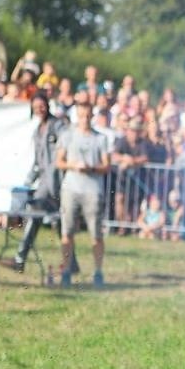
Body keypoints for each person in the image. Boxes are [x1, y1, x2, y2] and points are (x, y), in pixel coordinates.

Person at [1, 94, 65, 273]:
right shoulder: (38, 130)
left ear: (47, 105)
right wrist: (27, 181)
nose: (39, 109)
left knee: (48, 218)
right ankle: (70, 262)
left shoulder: (58, 126)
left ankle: (20, 259)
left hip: (58, 182)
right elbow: (38, 162)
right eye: (36, 106)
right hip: (44, 182)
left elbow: (65, 149)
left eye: (42, 105)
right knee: (51, 220)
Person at [56, 100, 110, 286]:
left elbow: (106, 165)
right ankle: (66, 270)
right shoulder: (67, 135)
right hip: (71, 188)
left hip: (92, 190)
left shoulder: (100, 138)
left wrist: (92, 167)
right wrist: (74, 165)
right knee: (67, 232)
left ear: (92, 116)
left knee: (96, 234)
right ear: (76, 116)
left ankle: (98, 271)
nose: (84, 119)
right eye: (81, 116)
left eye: (87, 116)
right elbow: (59, 162)